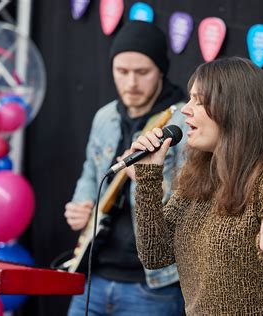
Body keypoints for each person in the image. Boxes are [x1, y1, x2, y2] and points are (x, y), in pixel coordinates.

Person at [131, 56, 263, 315]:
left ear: (234, 109)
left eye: (200, 100)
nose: (186, 109)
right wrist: (148, 176)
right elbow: (155, 255)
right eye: (190, 97)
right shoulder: (198, 174)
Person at [64, 21, 186, 316]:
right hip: (93, 274)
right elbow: (90, 174)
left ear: (161, 69)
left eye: (142, 72)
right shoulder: (104, 117)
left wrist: (149, 180)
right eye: (122, 71)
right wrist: (80, 206)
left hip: (154, 284)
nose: (131, 82)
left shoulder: (183, 122)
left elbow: (192, 203)